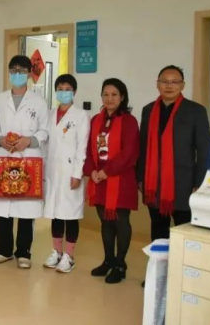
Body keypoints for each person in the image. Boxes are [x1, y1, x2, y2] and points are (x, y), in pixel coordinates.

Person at [0, 55, 49, 270]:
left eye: (22, 71)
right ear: (8, 73)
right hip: (4, 156)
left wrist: (29, 140)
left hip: (28, 157)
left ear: (30, 74)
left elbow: (45, 130)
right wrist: (0, 140)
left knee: (26, 209)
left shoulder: (39, 102)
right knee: (3, 207)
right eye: (13, 70)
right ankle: (3, 250)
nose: (17, 74)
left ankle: (24, 252)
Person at [139, 66, 210, 240]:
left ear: (182, 85)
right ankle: (160, 258)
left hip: (183, 184)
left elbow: (204, 150)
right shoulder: (148, 110)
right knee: (158, 230)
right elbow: (142, 146)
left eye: (174, 82)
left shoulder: (196, 111)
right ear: (157, 84)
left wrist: (199, 182)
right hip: (154, 184)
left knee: (185, 232)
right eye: (164, 81)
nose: (169, 86)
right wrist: (140, 177)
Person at [84, 78, 140, 285]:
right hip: (99, 179)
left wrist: (106, 171)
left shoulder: (129, 121)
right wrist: (92, 171)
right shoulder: (95, 120)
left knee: (120, 222)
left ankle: (120, 265)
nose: (110, 98)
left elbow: (129, 152)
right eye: (106, 94)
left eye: (114, 94)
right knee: (105, 222)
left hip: (120, 179)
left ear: (122, 97)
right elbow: (89, 149)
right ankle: (108, 260)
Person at [42, 74, 90, 274]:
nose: (63, 92)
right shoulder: (50, 114)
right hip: (53, 171)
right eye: (60, 89)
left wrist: (77, 173)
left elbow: (82, 147)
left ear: (74, 92)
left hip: (71, 172)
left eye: (67, 89)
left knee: (70, 215)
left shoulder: (81, 116)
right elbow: (45, 142)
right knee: (55, 213)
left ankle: (69, 256)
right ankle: (56, 251)